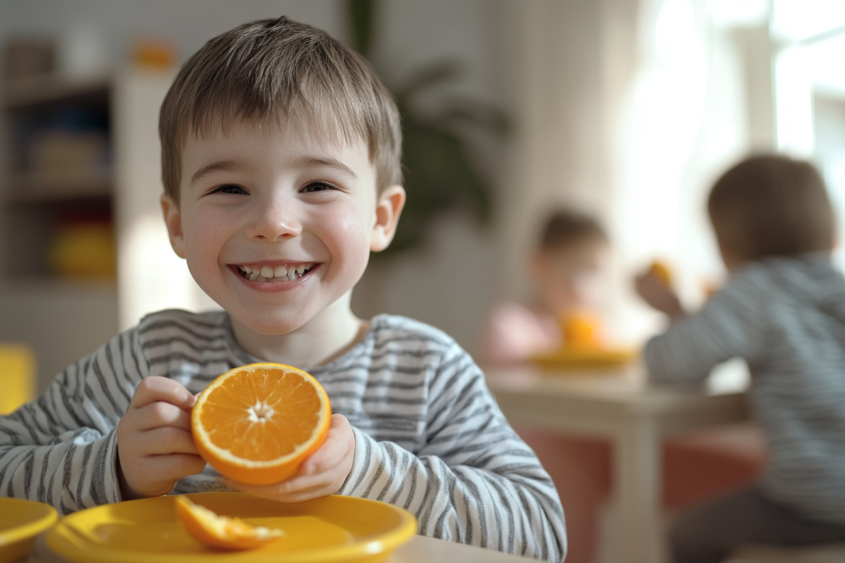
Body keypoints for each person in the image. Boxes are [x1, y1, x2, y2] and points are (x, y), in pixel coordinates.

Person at [0, 16, 566, 561]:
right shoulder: (148, 360)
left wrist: (365, 472)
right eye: (229, 187)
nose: (273, 221)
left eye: (317, 184)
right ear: (176, 224)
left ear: (381, 218)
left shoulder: (426, 371)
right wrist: (113, 469)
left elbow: (541, 529)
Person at [635, 154, 845, 563]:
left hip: (813, 503)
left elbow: (671, 364)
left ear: (726, 247)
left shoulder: (754, 289)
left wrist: (668, 318)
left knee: (687, 535)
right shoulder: (835, 284)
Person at [477, 208, 610, 366]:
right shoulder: (508, 323)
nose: (582, 288)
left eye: (594, 273)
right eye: (574, 271)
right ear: (539, 265)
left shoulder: (598, 332)